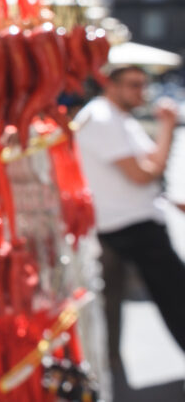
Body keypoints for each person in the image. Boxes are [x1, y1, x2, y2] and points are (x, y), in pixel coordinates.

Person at [75, 65, 185, 375]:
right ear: (111, 85)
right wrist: (166, 130)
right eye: (134, 85)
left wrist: (166, 128)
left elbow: (153, 165)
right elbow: (143, 173)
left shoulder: (118, 118)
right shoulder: (102, 118)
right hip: (130, 225)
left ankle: (109, 365)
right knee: (175, 298)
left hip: (132, 220)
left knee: (128, 300)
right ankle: (108, 368)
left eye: (143, 85)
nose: (142, 92)